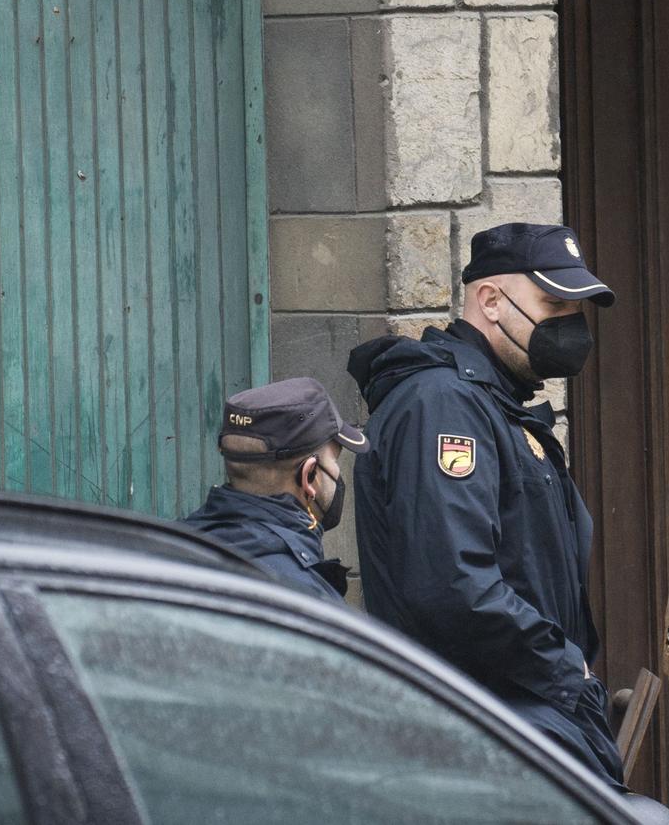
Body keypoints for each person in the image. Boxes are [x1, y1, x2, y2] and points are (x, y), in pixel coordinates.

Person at [348, 222, 626, 789]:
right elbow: (453, 587)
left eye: (577, 311)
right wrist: (565, 671)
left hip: (515, 725)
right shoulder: (443, 405)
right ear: (491, 302)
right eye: (554, 304)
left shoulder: (492, 405)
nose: (571, 327)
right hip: (482, 734)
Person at [180, 376, 366, 603]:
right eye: (334, 461)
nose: (337, 473)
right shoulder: (305, 598)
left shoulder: (168, 552)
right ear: (309, 475)